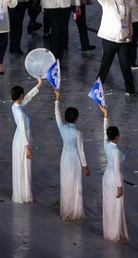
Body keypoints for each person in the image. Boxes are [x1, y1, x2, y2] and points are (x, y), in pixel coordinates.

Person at [91, 0, 136, 95]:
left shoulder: (127, 3)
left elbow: (129, 20)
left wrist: (130, 35)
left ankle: (130, 89)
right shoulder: (108, 2)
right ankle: (97, 88)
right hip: (110, 40)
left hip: (123, 40)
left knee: (125, 65)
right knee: (105, 64)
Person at [54, 88, 90, 220]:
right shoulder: (78, 133)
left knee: (66, 182)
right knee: (75, 182)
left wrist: (57, 99)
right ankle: (74, 209)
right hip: (74, 159)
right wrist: (85, 166)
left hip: (64, 158)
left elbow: (56, 115)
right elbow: (81, 150)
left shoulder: (62, 128)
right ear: (76, 118)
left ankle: (66, 209)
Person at [99, 105, 128, 242]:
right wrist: (120, 186)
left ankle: (109, 231)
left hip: (106, 177)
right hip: (114, 179)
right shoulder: (116, 152)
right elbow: (117, 170)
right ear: (118, 136)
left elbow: (104, 133)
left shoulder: (106, 145)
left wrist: (106, 115)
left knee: (108, 204)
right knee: (116, 205)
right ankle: (115, 233)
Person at [10, 78, 42, 203]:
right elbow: (23, 130)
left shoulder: (17, 105)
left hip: (21, 139)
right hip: (22, 142)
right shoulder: (18, 111)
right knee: (24, 168)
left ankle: (25, 193)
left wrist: (38, 85)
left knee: (24, 168)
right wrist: (27, 147)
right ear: (20, 96)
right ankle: (25, 195)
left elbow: (28, 97)